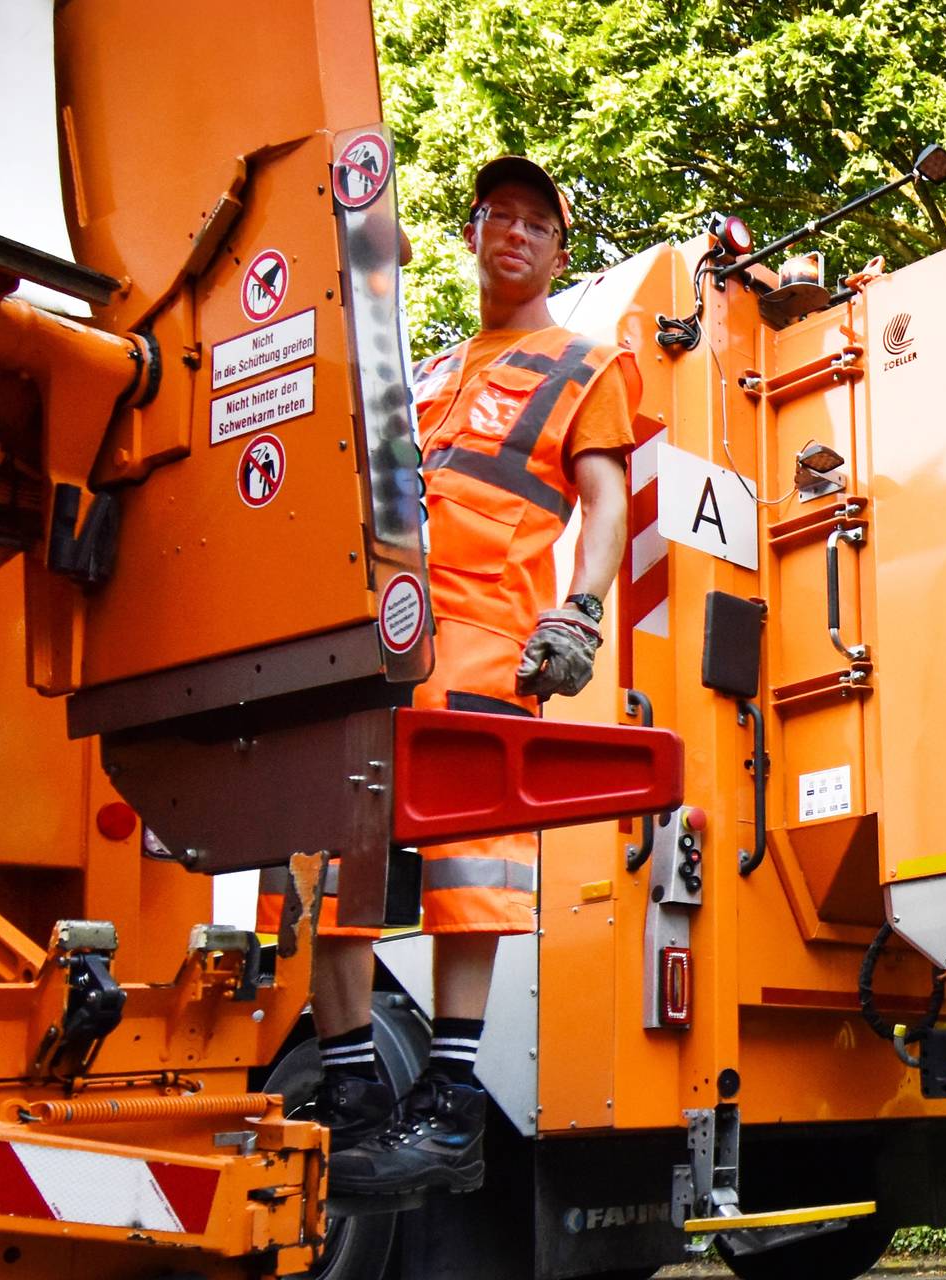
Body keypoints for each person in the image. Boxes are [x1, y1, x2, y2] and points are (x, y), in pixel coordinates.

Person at [297, 155, 635, 1196]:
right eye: (501, 215)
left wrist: (578, 610)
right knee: (334, 854)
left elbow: (607, 499)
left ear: (559, 251)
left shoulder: (587, 361)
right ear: (475, 231)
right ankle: (351, 1089)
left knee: (470, 867)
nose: (517, 233)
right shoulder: (432, 370)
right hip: (380, 636)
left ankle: (449, 1110)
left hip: (489, 635)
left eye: (539, 222)